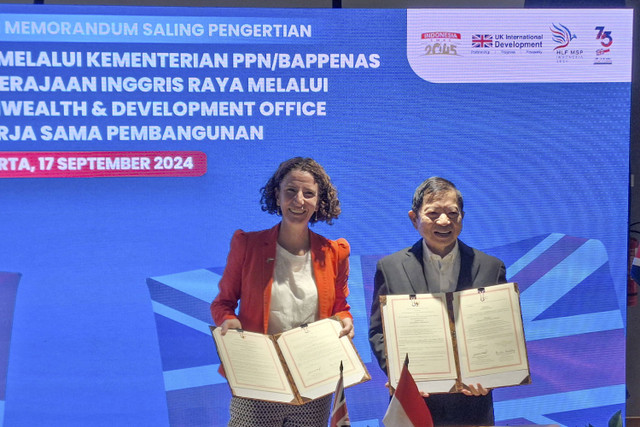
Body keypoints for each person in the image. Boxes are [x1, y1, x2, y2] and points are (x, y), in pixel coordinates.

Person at [211, 157, 353, 427]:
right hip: (258, 380)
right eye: (291, 191)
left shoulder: (335, 253)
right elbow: (223, 303)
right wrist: (228, 320)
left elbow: (340, 307)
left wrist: (345, 319)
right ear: (277, 195)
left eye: (308, 193)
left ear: (318, 201)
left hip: (313, 382)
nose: (299, 200)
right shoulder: (247, 245)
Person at [368, 176, 507, 426]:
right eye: (433, 214)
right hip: (413, 402)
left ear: (462, 216)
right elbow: (379, 333)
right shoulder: (389, 268)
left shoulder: (491, 267)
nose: (444, 221)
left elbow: (500, 332)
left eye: (452, 213)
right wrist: (399, 374)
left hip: (473, 404)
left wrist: (491, 374)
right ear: (414, 218)